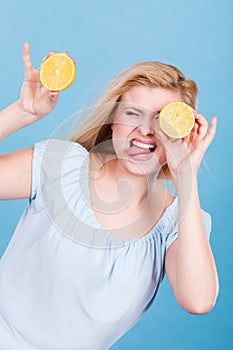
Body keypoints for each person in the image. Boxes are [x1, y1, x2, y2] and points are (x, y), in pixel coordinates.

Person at [0, 42, 219, 350]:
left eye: (163, 119)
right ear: (113, 119)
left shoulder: (176, 222)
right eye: (133, 113)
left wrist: (187, 176)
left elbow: (199, 300)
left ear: (182, 133)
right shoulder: (61, 166)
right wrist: (20, 113)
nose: (145, 130)